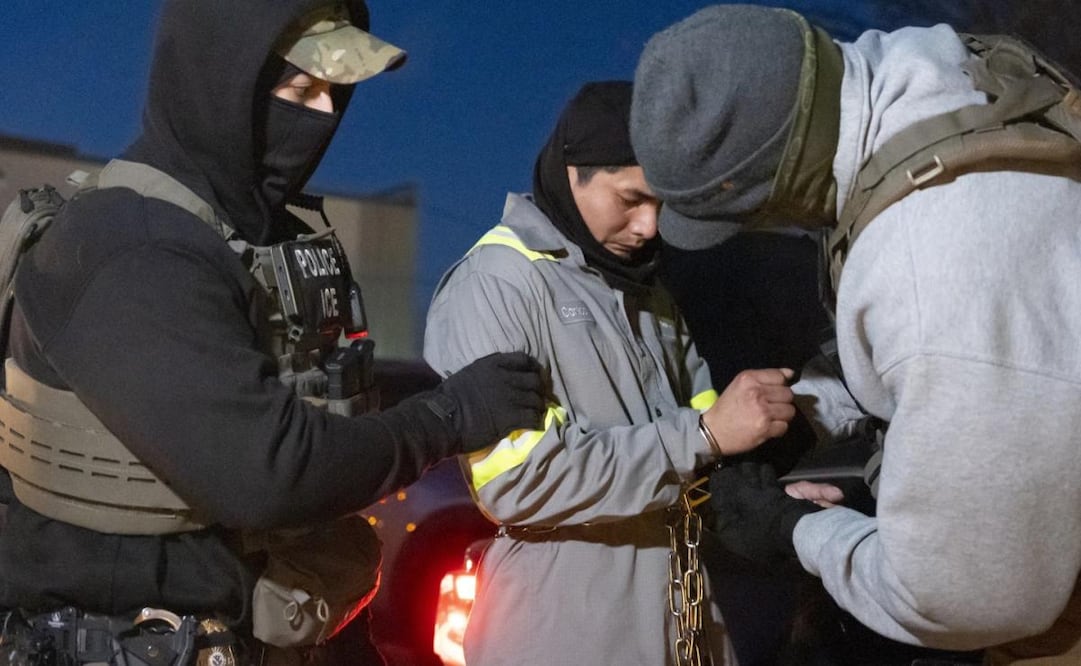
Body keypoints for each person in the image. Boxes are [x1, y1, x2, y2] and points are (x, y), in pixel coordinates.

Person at [0, 2, 545, 664]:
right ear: (217, 79)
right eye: (295, 88)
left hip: (265, 631)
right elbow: (268, 473)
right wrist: (449, 415)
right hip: (135, 642)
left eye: (332, 92)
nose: (319, 115)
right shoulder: (129, 247)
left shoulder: (249, 237)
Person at [630, 4, 1081, 663]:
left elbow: (966, 597)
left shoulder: (931, 269)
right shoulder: (941, 79)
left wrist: (797, 533)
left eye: (749, 209)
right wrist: (816, 413)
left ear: (779, 176)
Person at [424, 80, 803, 665]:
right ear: (574, 172)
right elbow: (520, 482)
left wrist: (762, 499)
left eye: (663, 204)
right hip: (559, 631)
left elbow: (703, 449)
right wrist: (701, 435)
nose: (650, 226)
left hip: (685, 620)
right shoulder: (496, 283)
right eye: (631, 199)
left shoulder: (644, 287)